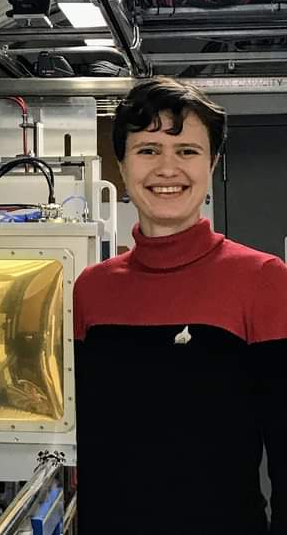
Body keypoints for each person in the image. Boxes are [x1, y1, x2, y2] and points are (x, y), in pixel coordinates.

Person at [73, 76, 287, 534]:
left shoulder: (264, 280)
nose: (167, 168)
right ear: (123, 166)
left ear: (211, 165)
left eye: (186, 151)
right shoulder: (91, 289)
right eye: (148, 150)